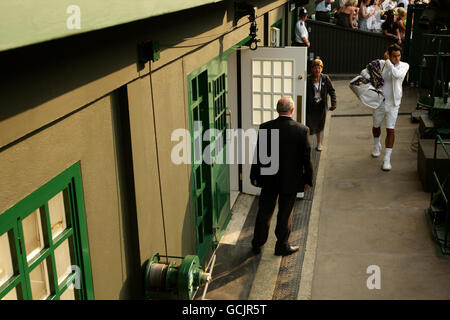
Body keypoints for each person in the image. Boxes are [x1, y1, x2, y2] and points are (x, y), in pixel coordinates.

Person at [250, 97, 313, 256]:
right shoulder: (302, 130)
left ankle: (257, 244)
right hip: (290, 180)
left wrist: (254, 175)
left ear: (277, 110)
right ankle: (281, 246)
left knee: (264, 212)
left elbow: (259, 155)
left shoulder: (265, 127)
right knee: (285, 213)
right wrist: (308, 180)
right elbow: (307, 158)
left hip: (269, 179)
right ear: (292, 110)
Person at [361, 44, 409, 171]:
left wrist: (388, 61)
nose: (397, 58)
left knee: (390, 129)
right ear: (388, 54)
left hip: (394, 104)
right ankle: (377, 145)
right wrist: (370, 78)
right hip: (380, 102)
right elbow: (364, 71)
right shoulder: (380, 63)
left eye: (399, 56)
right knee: (376, 126)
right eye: (394, 56)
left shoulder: (404, 66)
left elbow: (396, 75)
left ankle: (387, 159)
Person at [306, 59, 337, 151]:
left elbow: (332, 91)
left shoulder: (325, 78)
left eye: (319, 68)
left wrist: (333, 103)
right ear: (312, 69)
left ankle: (319, 144)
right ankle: (307, 146)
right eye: (315, 68)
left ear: (322, 69)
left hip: (321, 107)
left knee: (319, 126)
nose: (317, 70)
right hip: (310, 107)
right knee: (309, 127)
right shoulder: (307, 79)